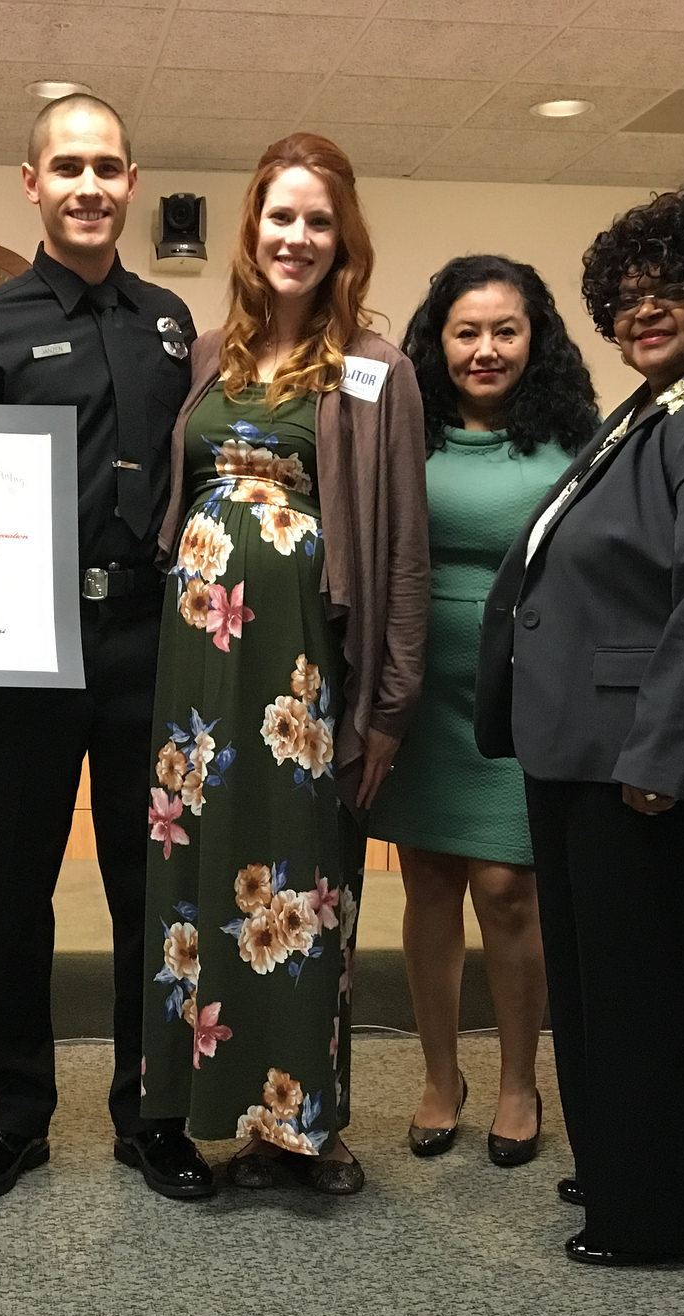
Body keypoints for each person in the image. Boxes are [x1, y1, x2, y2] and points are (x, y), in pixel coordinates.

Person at [475, 184, 684, 1263]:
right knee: (603, 994)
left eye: (667, 290)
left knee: (661, 1006)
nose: (640, 313)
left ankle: (661, 1219)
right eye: (622, 299)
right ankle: (627, 1167)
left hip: (670, 770)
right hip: (591, 750)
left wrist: (661, 752)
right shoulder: (661, 402)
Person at [0, 95, 209, 1206]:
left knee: (152, 891)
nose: (88, 186)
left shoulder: (171, 325)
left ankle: (152, 1113)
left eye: (107, 167)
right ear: (31, 183)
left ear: (131, 182)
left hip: (151, 643)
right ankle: (13, 1115)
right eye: (67, 168)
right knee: (14, 889)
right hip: (21, 649)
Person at [140, 132, 429, 1197]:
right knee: (197, 890)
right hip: (194, 687)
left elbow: (399, 553)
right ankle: (193, 1108)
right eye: (277, 217)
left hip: (297, 688)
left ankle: (300, 1127)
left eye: (316, 220)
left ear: (341, 236)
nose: (294, 238)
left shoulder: (373, 370)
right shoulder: (210, 350)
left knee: (299, 899)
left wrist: (386, 708)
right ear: (250, 229)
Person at [373, 255, 596, 1166]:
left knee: (509, 890)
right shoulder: (403, 431)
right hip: (422, 686)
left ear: (535, 339)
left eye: (506, 330)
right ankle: (439, 1078)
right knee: (427, 880)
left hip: (521, 689)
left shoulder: (576, 440)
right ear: (439, 341)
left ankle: (516, 1082)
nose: (486, 349)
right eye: (466, 331)